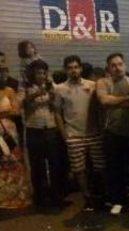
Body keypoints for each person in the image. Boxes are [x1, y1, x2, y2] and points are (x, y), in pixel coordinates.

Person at [97, 53, 129, 215]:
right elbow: (104, 101)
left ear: (125, 65)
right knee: (115, 168)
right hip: (112, 132)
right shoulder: (103, 82)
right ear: (108, 68)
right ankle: (117, 200)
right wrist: (127, 98)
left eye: (120, 64)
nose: (117, 67)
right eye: (113, 65)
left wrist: (116, 101)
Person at [54, 55, 104, 211]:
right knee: (78, 169)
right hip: (73, 135)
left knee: (100, 167)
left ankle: (101, 195)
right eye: (70, 68)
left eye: (76, 67)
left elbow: (100, 109)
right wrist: (64, 135)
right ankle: (87, 197)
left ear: (81, 68)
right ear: (65, 70)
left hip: (94, 133)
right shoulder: (60, 89)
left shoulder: (92, 85)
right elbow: (57, 113)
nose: (73, 70)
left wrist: (102, 129)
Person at [18, 60, 66, 208]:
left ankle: (57, 196)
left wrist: (52, 94)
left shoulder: (52, 87)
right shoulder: (25, 87)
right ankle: (39, 198)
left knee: (55, 164)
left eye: (44, 72)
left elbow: (58, 106)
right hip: (34, 130)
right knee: (37, 165)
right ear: (32, 73)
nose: (42, 75)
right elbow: (21, 104)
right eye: (39, 72)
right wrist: (37, 94)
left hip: (51, 129)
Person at [0, 62, 31, 209]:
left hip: (9, 131)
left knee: (14, 161)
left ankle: (17, 195)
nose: (2, 75)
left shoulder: (9, 91)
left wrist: (3, 113)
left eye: (3, 73)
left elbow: (16, 111)